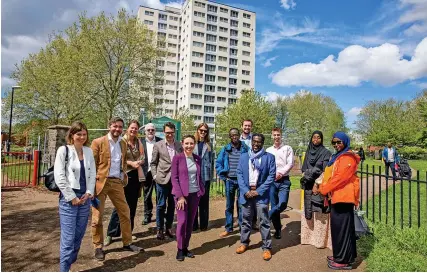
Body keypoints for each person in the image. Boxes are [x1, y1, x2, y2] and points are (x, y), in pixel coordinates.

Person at [90, 117, 142, 261]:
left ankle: (127, 242)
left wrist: (122, 174)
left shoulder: (123, 143)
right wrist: (90, 186)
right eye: (115, 126)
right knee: (97, 217)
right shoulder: (98, 142)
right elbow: (91, 165)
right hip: (100, 183)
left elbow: (123, 161)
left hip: (116, 182)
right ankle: (98, 246)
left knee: (125, 212)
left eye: (120, 127)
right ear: (109, 127)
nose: (117, 129)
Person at [54, 121, 96, 272]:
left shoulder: (89, 151)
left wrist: (89, 192)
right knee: (68, 238)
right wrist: (71, 197)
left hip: (84, 199)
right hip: (68, 200)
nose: (82, 137)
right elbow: (59, 176)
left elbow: (92, 174)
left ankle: (70, 261)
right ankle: (64, 269)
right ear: (72, 135)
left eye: (84, 134)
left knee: (78, 237)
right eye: (79, 134)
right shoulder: (63, 150)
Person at [318, 131, 360, 270]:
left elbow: (340, 178)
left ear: (345, 142)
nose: (336, 145)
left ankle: (343, 260)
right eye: (334, 142)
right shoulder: (337, 156)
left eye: (339, 142)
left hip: (344, 198)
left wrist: (324, 189)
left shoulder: (348, 157)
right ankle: (342, 256)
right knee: (340, 229)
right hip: (337, 197)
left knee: (342, 230)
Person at [235, 133, 276, 261]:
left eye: (259, 142)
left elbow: (271, 176)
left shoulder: (269, 157)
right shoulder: (243, 157)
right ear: (251, 142)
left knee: (264, 221)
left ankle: (267, 247)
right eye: (254, 141)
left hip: (261, 195)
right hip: (246, 194)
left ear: (263, 143)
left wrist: (258, 191)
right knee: (245, 220)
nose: (256, 144)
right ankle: (244, 242)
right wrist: (245, 190)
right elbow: (239, 174)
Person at [104, 120, 145, 246]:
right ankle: (111, 233)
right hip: (124, 176)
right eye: (132, 128)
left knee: (132, 206)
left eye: (136, 129)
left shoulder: (138, 142)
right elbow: (119, 159)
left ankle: (128, 232)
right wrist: (131, 163)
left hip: (135, 177)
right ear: (128, 129)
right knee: (120, 206)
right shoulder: (122, 141)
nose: (134, 130)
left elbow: (143, 156)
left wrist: (140, 162)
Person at [171, 135, 205, 261]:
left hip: (195, 194)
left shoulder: (197, 159)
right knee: (182, 221)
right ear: (182, 144)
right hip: (182, 196)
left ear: (194, 144)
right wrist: (180, 196)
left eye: (191, 143)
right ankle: (180, 249)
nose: (189, 146)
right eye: (187, 143)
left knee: (190, 223)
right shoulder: (177, 158)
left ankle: (186, 247)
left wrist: (201, 190)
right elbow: (174, 178)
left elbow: (199, 175)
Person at [300, 131, 332, 249]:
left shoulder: (326, 153)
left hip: (318, 185)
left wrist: (317, 184)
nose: (316, 139)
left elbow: (325, 170)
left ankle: (320, 240)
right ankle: (308, 238)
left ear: (321, 139)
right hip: (308, 185)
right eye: (314, 137)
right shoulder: (308, 152)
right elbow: (304, 168)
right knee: (309, 210)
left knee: (320, 213)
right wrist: (306, 177)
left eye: (319, 137)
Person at [151, 122, 183, 240]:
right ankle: (159, 229)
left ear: (175, 132)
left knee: (172, 205)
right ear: (164, 132)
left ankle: (168, 227)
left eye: (171, 132)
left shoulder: (179, 145)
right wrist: (155, 176)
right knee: (161, 205)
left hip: (175, 181)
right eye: (167, 132)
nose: (169, 135)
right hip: (162, 179)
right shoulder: (158, 145)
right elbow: (153, 163)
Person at [216, 128, 249, 237]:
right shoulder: (225, 149)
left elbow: (251, 161)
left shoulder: (245, 148)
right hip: (229, 180)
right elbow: (218, 163)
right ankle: (229, 228)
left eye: (236, 135)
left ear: (239, 135)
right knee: (229, 205)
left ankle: (241, 227)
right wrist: (223, 176)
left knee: (241, 204)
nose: (234, 137)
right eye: (232, 135)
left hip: (241, 181)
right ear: (230, 137)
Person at [266, 128, 294, 239]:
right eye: (274, 135)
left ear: (281, 136)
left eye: (278, 135)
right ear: (272, 136)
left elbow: (290, 163)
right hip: (272, 181)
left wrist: (281, 173)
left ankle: (267, 215)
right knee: (274, 205)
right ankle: (278, 230)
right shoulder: (268, 150)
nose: (276, 137)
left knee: (282, 204)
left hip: (284, 180)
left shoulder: (287, 148)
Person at [192, 123, 213, 231]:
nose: (203, 132)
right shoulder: (192, 143)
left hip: (205, 176)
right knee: (194, 201)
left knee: (204, 202)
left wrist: (211, 176)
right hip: (194, 176)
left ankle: (204, 224)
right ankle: (194, 224)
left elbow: (211, 161)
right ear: (198, 130)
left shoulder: (209, 144)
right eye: (201, 130)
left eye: (205, 131)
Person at [141, 123, 162, 225]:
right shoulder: (140, 142)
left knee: (160, 194)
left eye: (152, 130)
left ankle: (160, 215)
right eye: (148, 130)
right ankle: (147, 215)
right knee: (147, 195)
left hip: (158, 171)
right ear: (145, 131)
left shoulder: (160, 141)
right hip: (146, 172)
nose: (150, 131)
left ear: (155, 131)